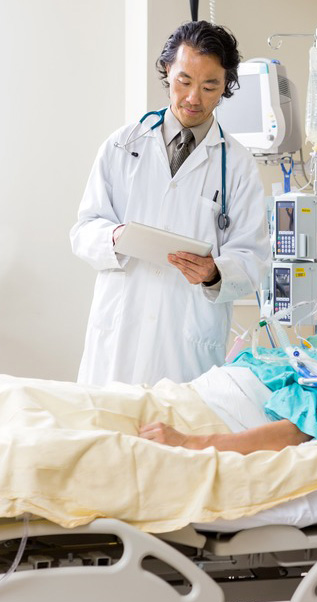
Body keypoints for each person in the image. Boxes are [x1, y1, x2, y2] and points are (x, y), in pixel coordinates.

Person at [70, 21, 271, 387]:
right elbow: (83, 230)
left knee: (176, 435)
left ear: (225, 85)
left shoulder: (237, 165)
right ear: (167, 71)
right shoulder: (122, 145)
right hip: (119, 333)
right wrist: (113, 237)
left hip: (184, 345)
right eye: (184, 81)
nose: (194, 97)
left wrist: (214, 273)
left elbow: (253, 258)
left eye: (210, 85)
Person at [139, 277, 317, 454]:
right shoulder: (307, 352)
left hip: (203, 423)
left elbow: (291, 434)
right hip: (180, 400)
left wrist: (190, 443)